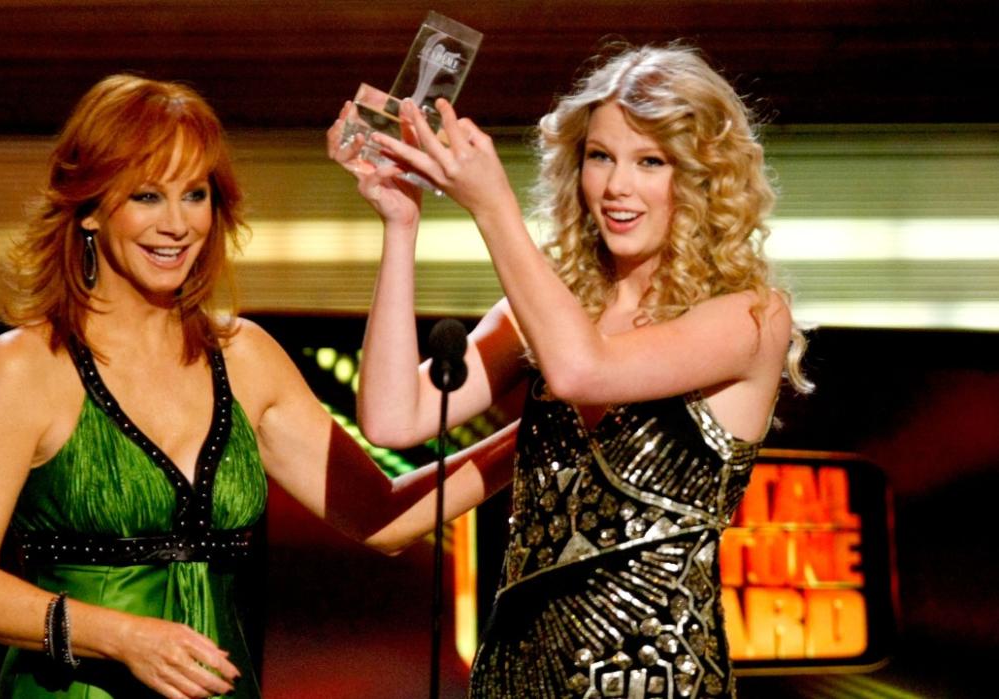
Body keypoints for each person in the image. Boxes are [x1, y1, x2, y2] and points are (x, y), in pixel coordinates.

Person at [0, 74, 517, 699]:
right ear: (93, 208)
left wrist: (541, 437)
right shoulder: (25, 366)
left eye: (195, 195)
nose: (177, 224)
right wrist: (124, 637)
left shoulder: (245, 357)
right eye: (148, 196)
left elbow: (383, 518)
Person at [328, 44, 812, 698]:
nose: (617, 187)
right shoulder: (550, 309)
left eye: (651, 162)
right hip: (514, 673)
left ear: (702, 177)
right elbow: (393, 415)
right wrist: (401, 223)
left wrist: (492, 206)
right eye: (600, 156)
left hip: (655, 680)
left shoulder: (750, 317)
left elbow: (584, 371)